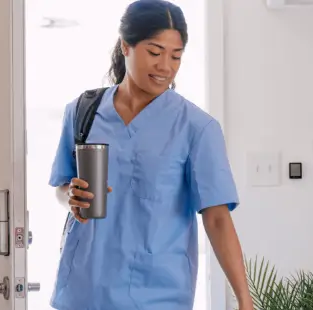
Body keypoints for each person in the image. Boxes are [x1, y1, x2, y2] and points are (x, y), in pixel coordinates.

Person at [47, 1, 252, 309]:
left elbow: (218, 218)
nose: (165, 66)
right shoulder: (82, 112)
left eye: (176, 56)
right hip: (82, 291)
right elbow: (62, 188)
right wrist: (71, 198)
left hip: (157, 296)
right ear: (125, 46)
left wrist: (244, 301)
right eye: (155, 52)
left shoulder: (197, 128)